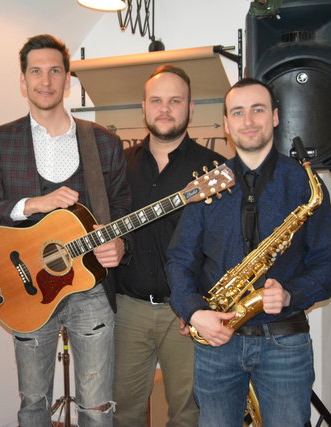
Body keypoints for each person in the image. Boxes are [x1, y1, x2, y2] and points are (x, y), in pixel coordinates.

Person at [0, 34, 131, 427]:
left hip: (89, 288)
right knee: (33, 404)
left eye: (55, 71)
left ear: (68, 80)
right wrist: (32, 205)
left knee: (97, 408)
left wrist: (120, 243)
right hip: (27, 292)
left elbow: (123, 205)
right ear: (23, 82)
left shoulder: (104, 142)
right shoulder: (4, 139)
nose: (45, 80)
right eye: (36, 72)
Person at [165, 77, 331, 426]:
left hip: (285, 342)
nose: (248, 120)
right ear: (227, 125)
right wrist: (194, 312)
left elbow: (329, 264)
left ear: (275, 117)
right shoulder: (206, 185)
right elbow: (179, 259)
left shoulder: (306, 184)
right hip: (218, 342)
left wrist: (292, 294)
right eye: (238, 112)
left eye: (258, 110)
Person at [113, 64, 225, 427]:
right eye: (156, 100)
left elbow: (225, 249)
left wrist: (197, 305)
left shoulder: (214, 169)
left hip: (187, 314)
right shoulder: (119, 166)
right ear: (143, 108)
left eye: (175, 101)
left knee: (187, 414)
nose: (165, 108)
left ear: (190, 109)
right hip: (127, 310)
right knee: (123, 411)